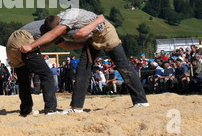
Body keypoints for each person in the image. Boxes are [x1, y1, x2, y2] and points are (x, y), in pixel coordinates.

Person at [20, 8, 149, 113]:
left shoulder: (68, 17)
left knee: (123, 65)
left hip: (106, 32)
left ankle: (141, 101)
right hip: (92, 38)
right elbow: (64, 44)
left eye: (60, 31)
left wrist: (99, 20)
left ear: (60, 24)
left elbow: (81, 33)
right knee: (83, 68)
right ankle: (76, 107)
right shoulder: (57, 23)